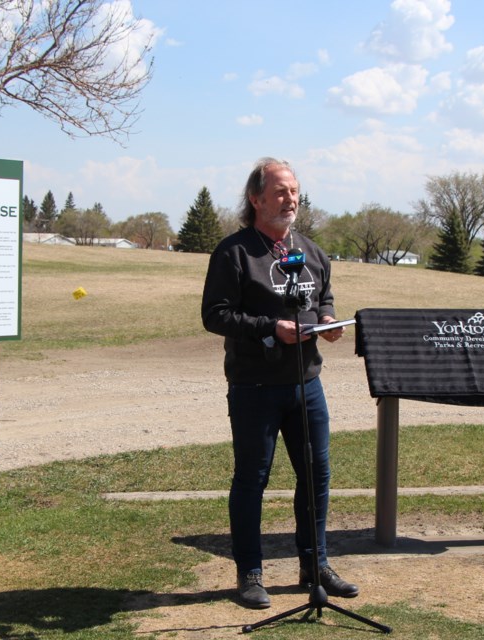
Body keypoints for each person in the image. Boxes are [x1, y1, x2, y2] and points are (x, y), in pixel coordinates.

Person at [201, 158, 359, 609]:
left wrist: (327, 321)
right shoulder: (234, 252)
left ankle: (316, 565)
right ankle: (250, 572)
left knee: (316, 476)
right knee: (252, 479)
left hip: (306, 382)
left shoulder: (309, 249)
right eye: (282, 191)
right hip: (255, 386)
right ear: (255, 199)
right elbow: (216, 315)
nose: (291, 199)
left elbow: (322, 296)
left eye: (295, 191)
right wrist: (271, 327)